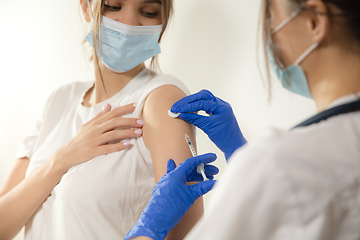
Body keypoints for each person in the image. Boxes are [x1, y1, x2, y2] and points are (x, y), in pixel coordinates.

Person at [125, 0, 360, 239]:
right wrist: (243, 156)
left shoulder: (280, 164)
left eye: (270, 17)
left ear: (314, 22)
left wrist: (148, 228)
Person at [0, 0, 209, 239]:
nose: (129, 22)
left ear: (162, 22)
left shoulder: (159, 99)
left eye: (148, 11)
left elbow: (188, 232)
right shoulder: (59, 101)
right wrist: (60, 160)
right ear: (87, 8)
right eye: (113, 5)